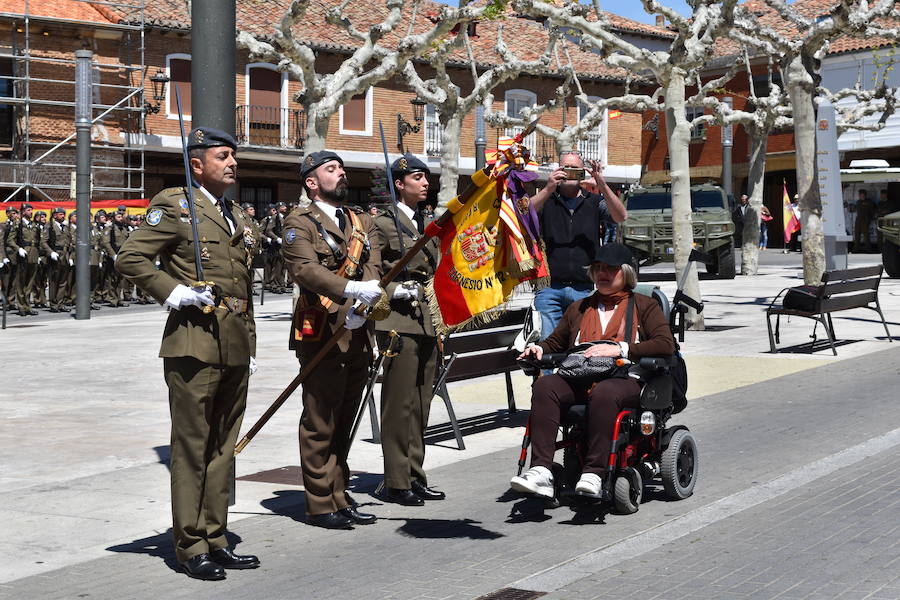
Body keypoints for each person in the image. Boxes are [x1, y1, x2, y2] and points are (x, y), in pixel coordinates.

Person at [116, 127, 260, 581]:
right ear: (197, 164)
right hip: (194, 344)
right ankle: (190, 544)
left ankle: (217, 538)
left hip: (234, 341)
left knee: (222, 448)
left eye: (234, 155)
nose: (233, 162)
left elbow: (243, 289)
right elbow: (130, 257)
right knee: (192, 447)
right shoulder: (176, 206)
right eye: (223, 156)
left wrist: (250, 346)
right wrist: (173, 292)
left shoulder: (233, 212)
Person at [511, 242, 675, 498]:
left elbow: (666, 345)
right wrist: (539, 349)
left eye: (610, 269)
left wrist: (621, 349)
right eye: (598, 268)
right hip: (581, 376)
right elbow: (556, 342)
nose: (602, 274)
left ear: (626, 273)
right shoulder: (580, 307)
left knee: (606, 393)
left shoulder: (644, 305)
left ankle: (594, 473)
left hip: (625, 377)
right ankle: (541, 470)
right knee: (545, 386)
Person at [281, 150, 382, 530]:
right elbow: (304, 269)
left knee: (345, 418)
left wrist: (365, 299)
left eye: (341, 168)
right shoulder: (299, 222)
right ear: (311, 181)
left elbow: (373, 263)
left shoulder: (361, 220)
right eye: (331, 169)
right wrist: (350, 290)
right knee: (320, 419)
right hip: (321, 328)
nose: (341, 173)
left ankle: (340, 493)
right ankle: (320, 503)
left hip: (358, 328)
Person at [373, 154, 444, 506]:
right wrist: (391, 291)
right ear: (399, 184)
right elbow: (368, 274)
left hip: (426, 320)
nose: (425, 183)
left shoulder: (425, 223)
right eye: (417, 177)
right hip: (397, 319)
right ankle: (395, 480)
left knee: (421, 402)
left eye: (425, 177)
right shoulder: (382, 224)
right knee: (399, 404)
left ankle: (415, 474)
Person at [530, 151, 627, 338]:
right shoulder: (547, 199)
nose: (570, 173)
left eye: (575, 169)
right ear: (558, 169)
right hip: (550, 287)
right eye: (566, 168)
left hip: (584, 287)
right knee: (548, 344)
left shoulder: (594, 202)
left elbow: (620, 216)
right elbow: (524, 215)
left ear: (583, 172)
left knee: (582, 341)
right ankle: (548, 369)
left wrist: (602, 185)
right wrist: (548, 188)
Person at [10, 203, 40, 316]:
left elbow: (38, 240)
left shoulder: (33, 225)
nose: (31, 212)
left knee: (30, 282)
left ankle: (27, 306)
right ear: (23, 212)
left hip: (34, 254)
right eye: (28, 210)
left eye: (31, 210)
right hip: (23, 255)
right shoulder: (18, 224)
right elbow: (10, 240)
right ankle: (21, 307)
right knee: (21, 282)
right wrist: (19, 249)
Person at [41, 207, 70, 312]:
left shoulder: (66, 227)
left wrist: (70, 256)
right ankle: (53, 304)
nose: (62, 216)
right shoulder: (50, 226)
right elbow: (43, 242)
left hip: (65, 256)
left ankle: (60, 303)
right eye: (60, 214)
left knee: (63, 281)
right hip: (55, 256)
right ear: (54, 215)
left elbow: (69, 242)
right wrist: (51, 252)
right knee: (54, 281)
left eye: (63, 214)